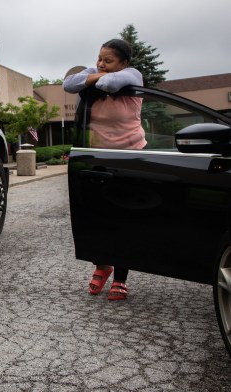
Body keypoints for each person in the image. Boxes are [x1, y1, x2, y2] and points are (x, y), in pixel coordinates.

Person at [63, 38, 147, 300]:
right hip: (97, 160)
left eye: (108, 60)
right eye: (99, 58)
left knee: (123, 221)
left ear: (124, 63)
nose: (100, 64)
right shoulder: (95, 72)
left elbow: (110, 83)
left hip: (130, 159)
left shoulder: (133, 75)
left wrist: (90, 77)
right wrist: (93, 74)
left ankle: (120, 278)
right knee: (95, 218)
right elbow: (67, 84)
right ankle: (102, 265)